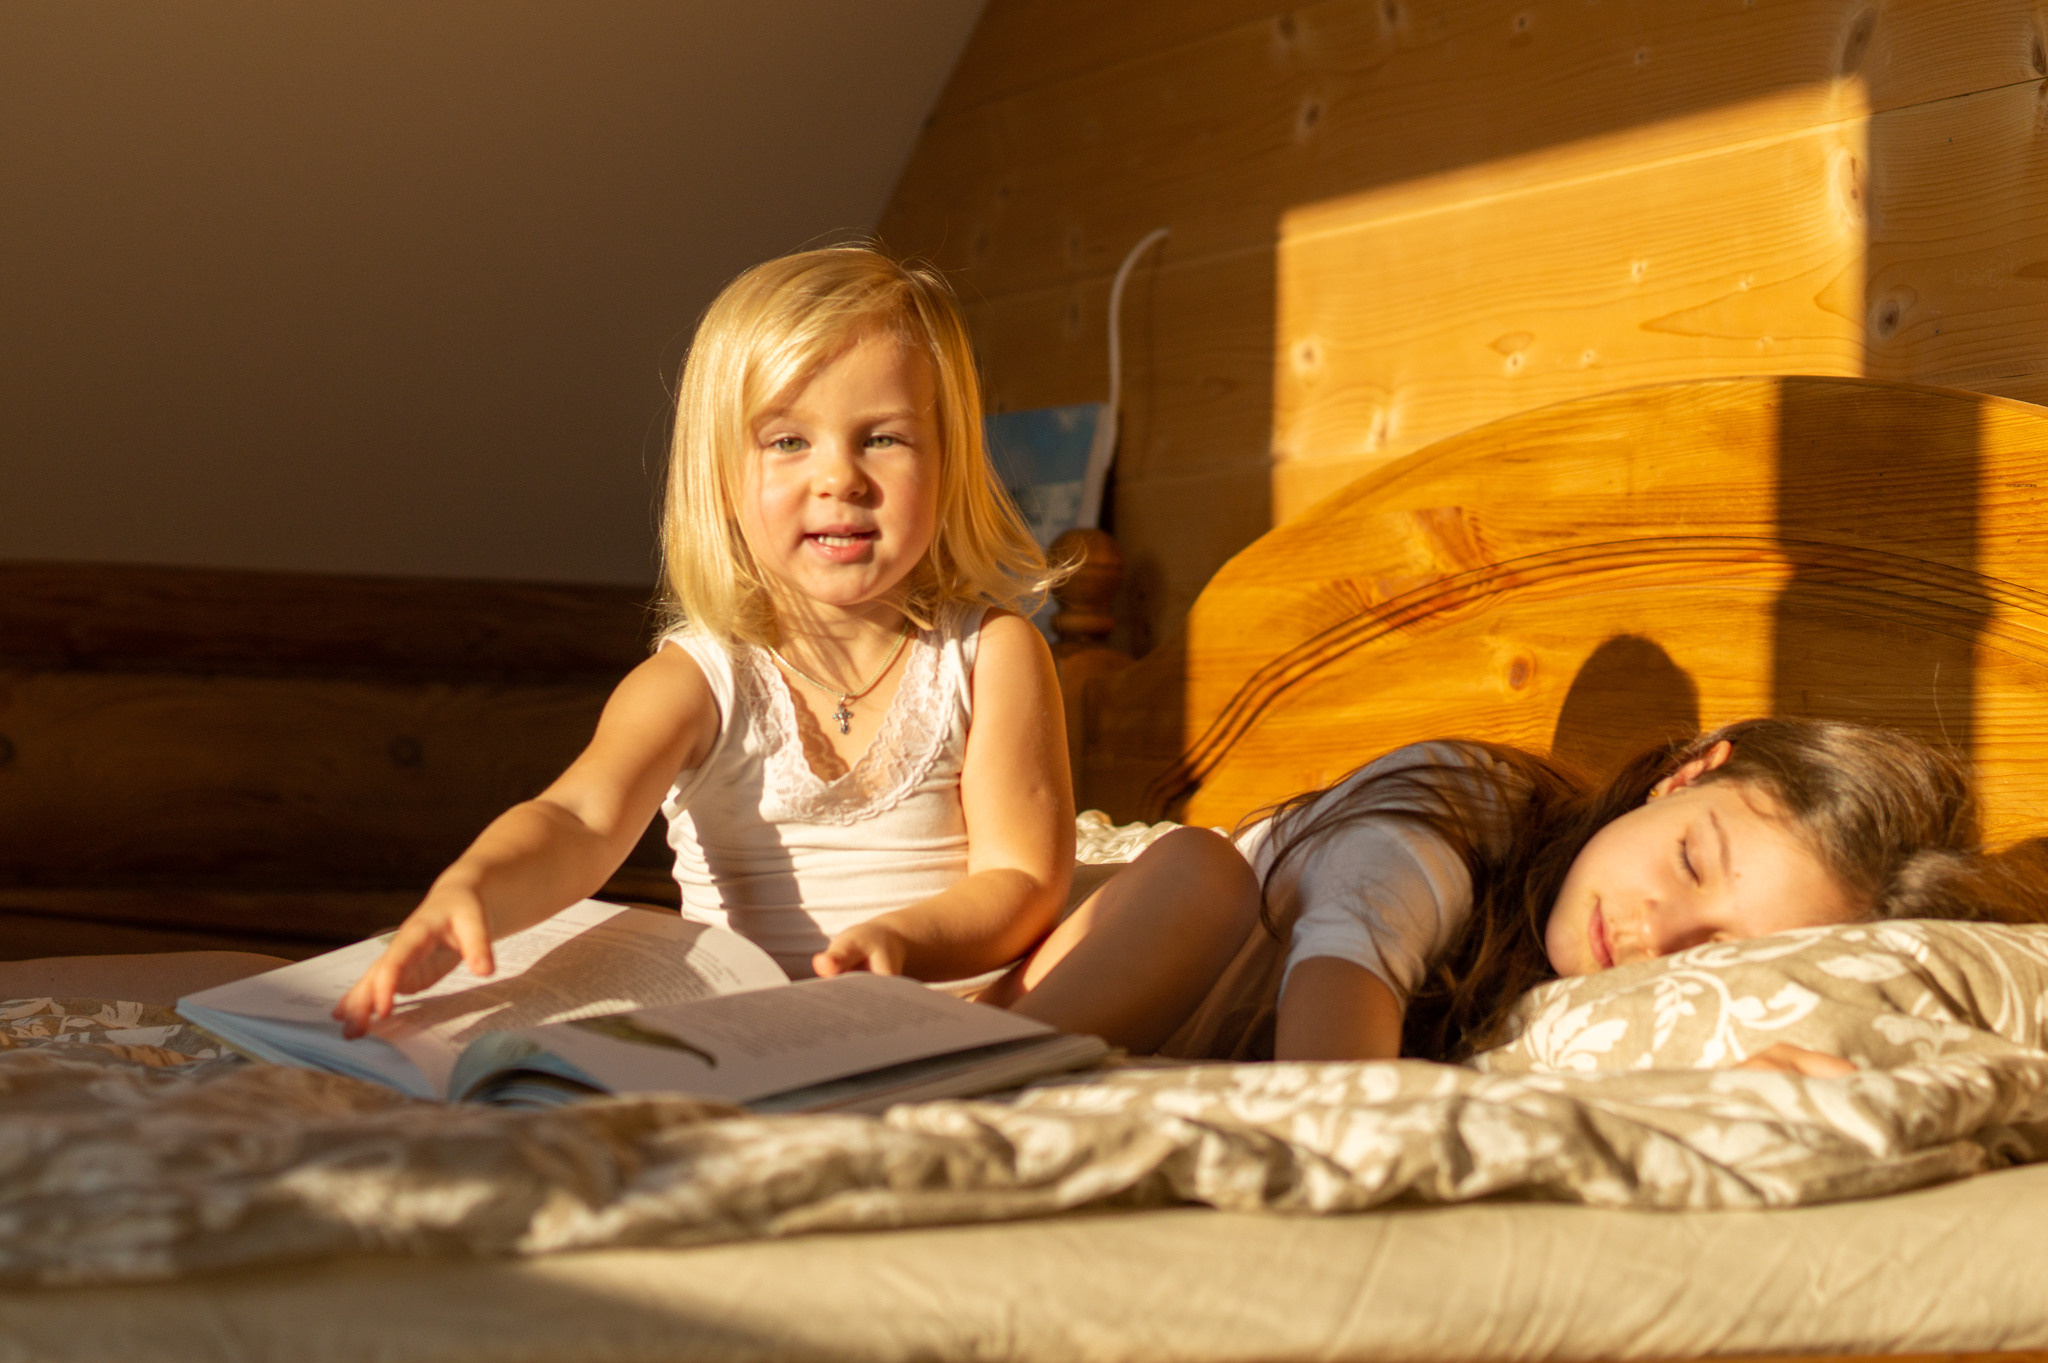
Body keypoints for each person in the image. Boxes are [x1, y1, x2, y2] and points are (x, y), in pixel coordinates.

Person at [335, 245, 1255, 1042]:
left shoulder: (992, 650)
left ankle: (1002, 1066)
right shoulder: (701, 675)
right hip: (767, 1031)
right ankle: (950, 1079)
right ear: (725, 480)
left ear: (949, 462)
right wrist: (472, 886)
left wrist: (907, 942)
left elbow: (1021, 876)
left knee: (1205, 870)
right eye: (787, 441)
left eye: (883, 438)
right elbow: (578, 819)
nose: (839, 479)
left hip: (978, 1001)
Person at [1003, 717, 2048, 1067]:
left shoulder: (1587, 987)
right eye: (1689, 859)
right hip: (1069, 945)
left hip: (1166, 1049)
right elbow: (1332, 1061)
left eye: (1715, 951)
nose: (1650, 934)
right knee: (1199, 875)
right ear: (1686, 773)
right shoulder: (1463, 809)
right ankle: (933, 1071)